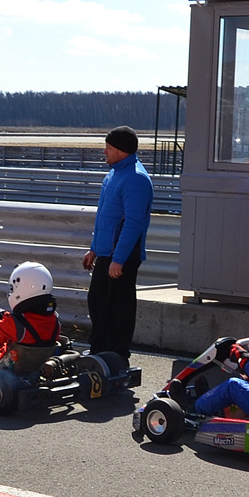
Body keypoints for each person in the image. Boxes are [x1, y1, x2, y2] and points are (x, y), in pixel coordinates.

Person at [82, 126, 152, 360]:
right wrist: (94, 249)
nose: (105, 151)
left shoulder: (136, 179)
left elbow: (133, 224)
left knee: (118, 308)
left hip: (122, 254)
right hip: (106, 252)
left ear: (122, 151)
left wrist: (118, 260)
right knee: (97, 302)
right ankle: (98, 351)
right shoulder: (114, 174)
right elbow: (105, 216)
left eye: (109, 148)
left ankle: (116, 355)